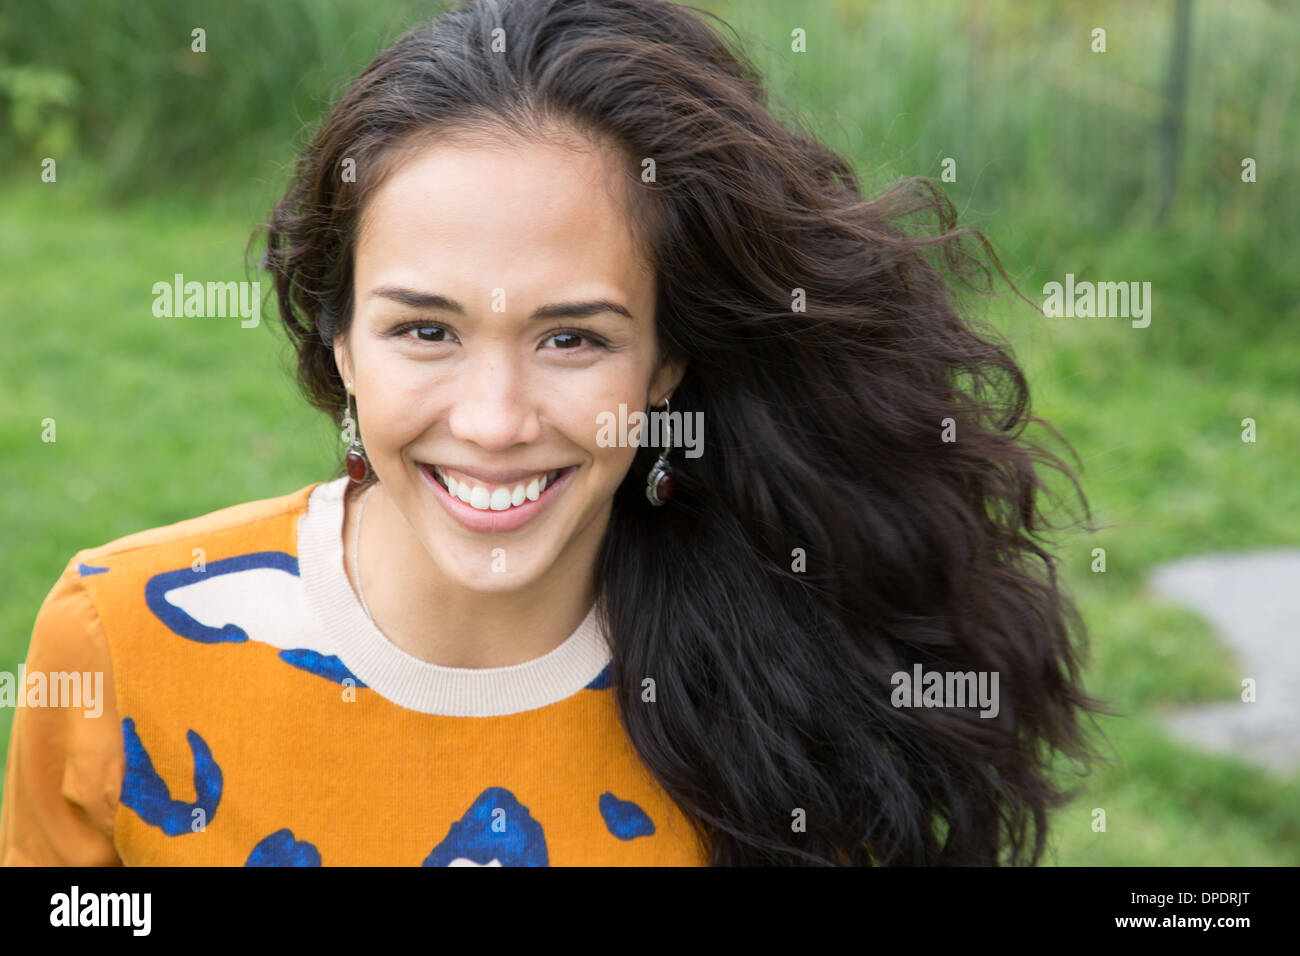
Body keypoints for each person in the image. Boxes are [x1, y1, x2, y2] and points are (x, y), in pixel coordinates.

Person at [0, 0, 1105, 866]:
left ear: (667, 362)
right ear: (340, 342)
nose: (491, 421)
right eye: (424, 328)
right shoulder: (114, 640)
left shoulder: (808, 678)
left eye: (572, 338)